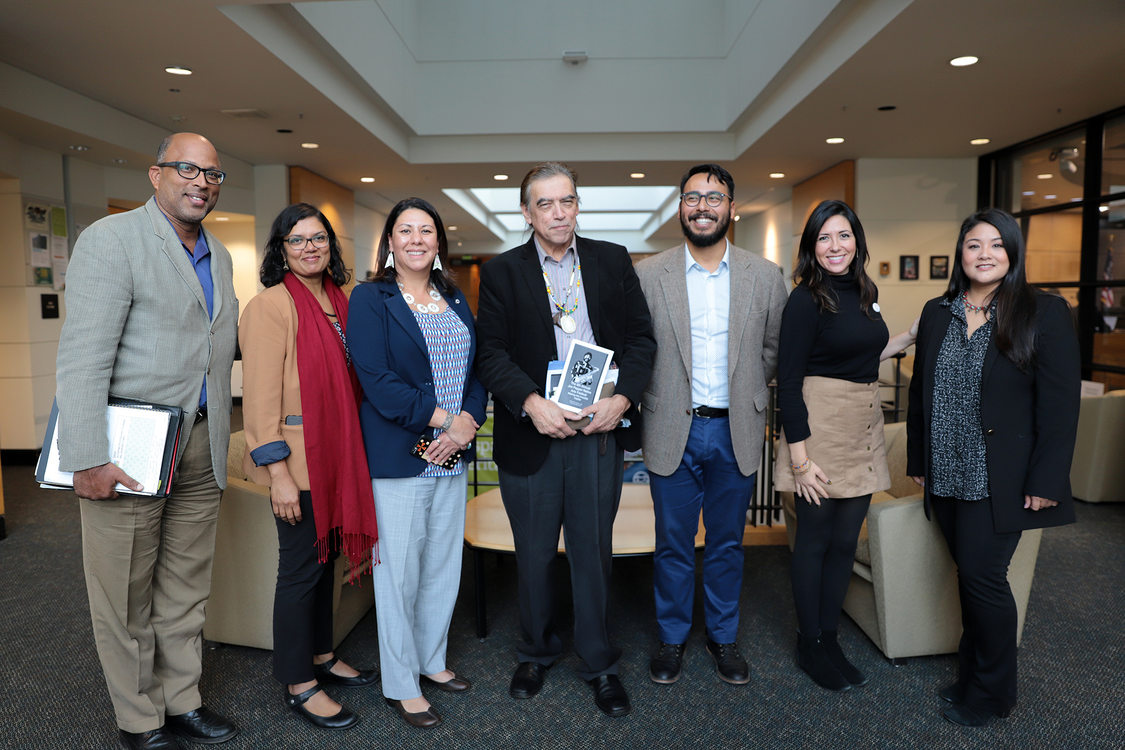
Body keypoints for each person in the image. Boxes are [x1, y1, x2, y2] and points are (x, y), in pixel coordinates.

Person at [54, 133, 239, 750]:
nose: (201, 182)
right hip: (128, 448)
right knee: (124, 592)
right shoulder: (112, 240)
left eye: (212, 174)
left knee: (185, 588)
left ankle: (182, 701)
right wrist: (86, 457)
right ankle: (140, 718)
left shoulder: (220, 254)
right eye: (187, 168)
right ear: (155, 174)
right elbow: (82, 358)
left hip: (202, 442)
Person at [475, 162, 656, 718]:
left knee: (591, 553)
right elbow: (491, 354)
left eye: (568, 202)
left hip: (597, 434)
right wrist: (531, 404)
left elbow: (641, 341)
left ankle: (600, 662)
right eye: (546, 204)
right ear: (526, 212)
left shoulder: (611, 260)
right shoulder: (502, 272)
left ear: (579, 206)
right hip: (532, 437)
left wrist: (621, 400)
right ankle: (535, 650)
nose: (559, 213)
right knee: (532, 555)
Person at [907, 208, 1079, 727]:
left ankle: (994, 693)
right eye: (974, 245)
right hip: (947, 470)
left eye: (996, 245)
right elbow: (919, 394)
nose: (985, 254)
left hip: (999, 476)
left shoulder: (1042, 311)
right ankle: (970, 676)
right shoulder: (939, 311)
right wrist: (919, 459)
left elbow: (1059, 404)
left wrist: (1047, 480)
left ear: (1013, 253)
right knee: (970, 578)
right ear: (960, 254)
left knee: (984, 578)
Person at [636, 164, 787, 686]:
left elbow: (773, 351)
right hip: (669, 428)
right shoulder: (648, 273)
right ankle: (672, 638)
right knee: (672, 544)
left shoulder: (764, 276)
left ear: (731, 208)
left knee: (726, 543)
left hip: (735, 431)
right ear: (680, 206)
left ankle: (723, 637)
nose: (703, 206)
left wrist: (743, 391)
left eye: (714, 197)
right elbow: (639, 350)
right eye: (692, 197)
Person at [239, 203, 380, 731]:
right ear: (280, 250)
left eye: (317, 238)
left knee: (328, 565)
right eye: (296, 241)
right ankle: (299, 682)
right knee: (301, 570)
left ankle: (323, 655)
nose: (309, 248)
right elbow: (258, 401)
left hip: (340, 458)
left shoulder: (341, 301)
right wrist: (277, 474)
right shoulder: (270, 307)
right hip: (299, 464)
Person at [348, 198, 488, 729]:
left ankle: (432, 661)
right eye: (405, 230)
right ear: (389, 243)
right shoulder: (371, 298)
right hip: (401, 457)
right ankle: (402, 683)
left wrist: (466, 423)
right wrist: (443, 422)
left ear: (438, 243)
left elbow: (476, 371)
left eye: (426, 231)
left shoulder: (452, 297)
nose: (416, 239)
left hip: (450, 456)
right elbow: (377, 381)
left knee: (441, 568)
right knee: (399, 575)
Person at [775, 199, 917, 692]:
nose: (835, 247)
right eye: (824, 238)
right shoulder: (805, 299)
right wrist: (801, 460)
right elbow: (788, 382)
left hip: (862, 422)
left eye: (843, 236)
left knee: (843, 541)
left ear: (857, 240)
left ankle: (829, 636)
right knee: (814, 541)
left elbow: (864, 349)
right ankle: (808, 641)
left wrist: (912, 334)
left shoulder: (865, 290)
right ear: (811, 247)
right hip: (818, 427)